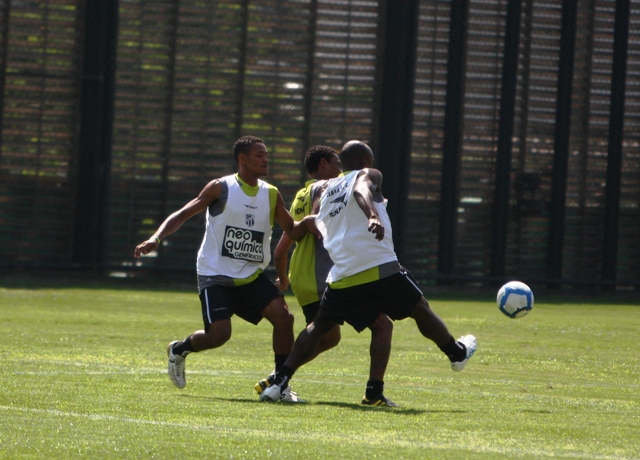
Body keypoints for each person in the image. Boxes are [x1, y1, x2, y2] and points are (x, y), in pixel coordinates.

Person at [259, 140, 477, 404]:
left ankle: (278, 383)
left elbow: (315, 221)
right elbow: (362, 190)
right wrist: (372, 214)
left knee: (319, 327)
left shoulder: (326, 189)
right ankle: (456, 354)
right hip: (378, 264)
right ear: (364, 162)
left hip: (342, 273)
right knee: (420, 308)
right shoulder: (368, 175)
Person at [134, 135, 314, 402]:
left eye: (266, 155)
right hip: (215, 276)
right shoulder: (222, 188)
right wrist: (155, 238)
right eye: (259, 155)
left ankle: (280, 383)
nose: (266, 159)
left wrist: (315, 220)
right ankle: (180, 349)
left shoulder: (271, 194)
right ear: (243, 159)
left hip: (251, 276)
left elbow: (292, 230)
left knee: (284, 318)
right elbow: (183, 214)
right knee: (219, 335)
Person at [254, 145, 395, 406]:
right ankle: (373, 394)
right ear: (323, 166)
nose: (342, 170)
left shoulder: (301, 195)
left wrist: (285, 278)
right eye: (337, 164)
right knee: (382, 324)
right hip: (325, 275)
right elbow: (319, 223)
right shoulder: (332, 188)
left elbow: (285, 244)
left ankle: (279, 376)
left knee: (329, 336)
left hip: (303, 278)